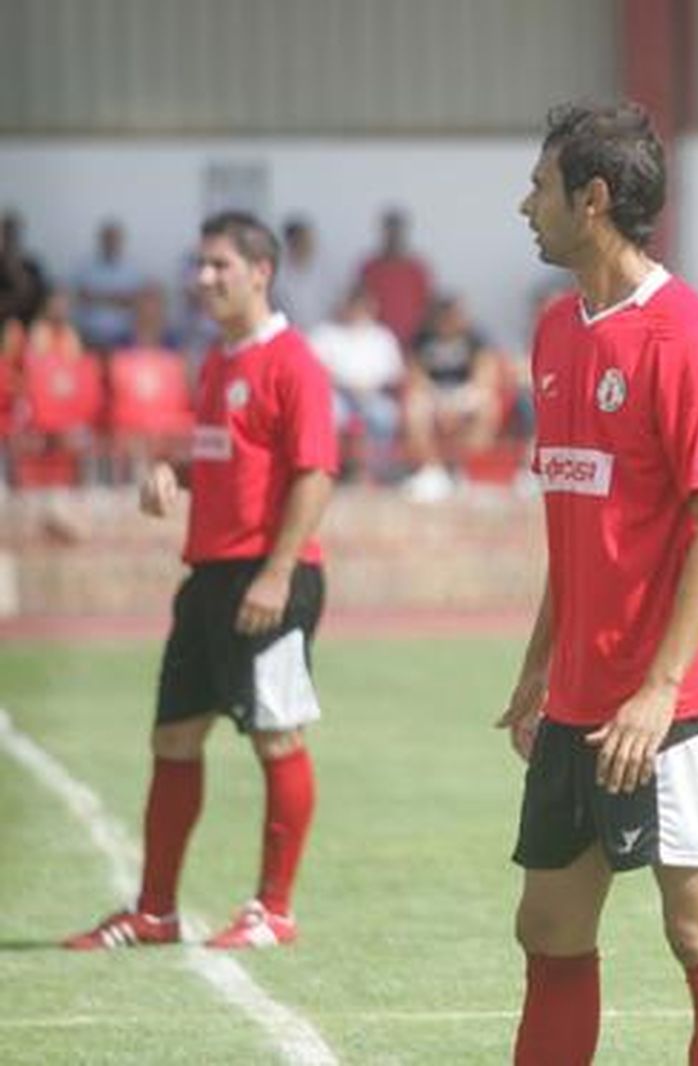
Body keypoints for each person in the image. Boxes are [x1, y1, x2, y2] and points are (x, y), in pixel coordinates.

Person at [496, 101, 698, 1065]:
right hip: (579, 693)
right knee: (549, 929)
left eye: (541, 186)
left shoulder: (687, 338)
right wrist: (540, 665)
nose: (527, 205)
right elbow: (580, 521)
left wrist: (659, 691)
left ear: (593, 199)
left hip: (674, 700)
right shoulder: (557, 330)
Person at [63, 211, 337, 951]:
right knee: (175, 736)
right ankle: (154, 912)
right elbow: (227, 456)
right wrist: (171, 472)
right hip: (208, 575)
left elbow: (316, 475)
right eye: (200, 265)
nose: (203, 278)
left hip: (269, 578)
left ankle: (273, 911)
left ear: (260, 273)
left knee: (277, 737)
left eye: (219, 266)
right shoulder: (218, 361)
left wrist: (276, 574)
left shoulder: (293, 363)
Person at [399, 294, 505, 501]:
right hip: (432, 393)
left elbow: (485, 376)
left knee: (488, 408)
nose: (449, 321)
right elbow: (415, 376)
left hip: (466, 392)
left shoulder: (477, 337)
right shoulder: (421, 338)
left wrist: (456, 404)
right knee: (414, 409)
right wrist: (440, 403)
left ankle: (462, 467)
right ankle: (432, 470)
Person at [306, 285, 406, 482]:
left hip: (373, 393)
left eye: (363, 307)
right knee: (329, 415)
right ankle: (328, 470)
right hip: (336, 393)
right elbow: (312, 369)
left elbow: (395, 372)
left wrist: (369, 387)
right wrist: (343, 384)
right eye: (354, 306)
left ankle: (376, 472)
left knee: (385, 415)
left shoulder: (382, 336)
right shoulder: (325, 333)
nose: (357, 311)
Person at [358, 207, 433, 347]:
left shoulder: (417, 268)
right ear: (382, 232)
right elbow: (360, 303)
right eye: (390, 231)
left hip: (412, 340)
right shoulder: (369, 268)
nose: (393, 235)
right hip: (376, 341)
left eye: (397, 231)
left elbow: (428, 304)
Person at [74, 219, 149, 353]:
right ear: (100, 240)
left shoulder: (132, 269)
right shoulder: (85, 267)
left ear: (121, 241)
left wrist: (97, 296)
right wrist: (116, 298)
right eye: (107, 238)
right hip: (89, 336)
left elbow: (135, 302)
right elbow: (82, 297)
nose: (110, 242)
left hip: (123, 338)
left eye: (114, 238)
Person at [275, 216, 338, 330]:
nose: (310, 245)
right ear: (292, 243)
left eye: (311, 240)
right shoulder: (279, 276)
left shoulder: (325, 270)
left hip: (322, 335)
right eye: (304, 240)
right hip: (291, 334)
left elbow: (335, 304)